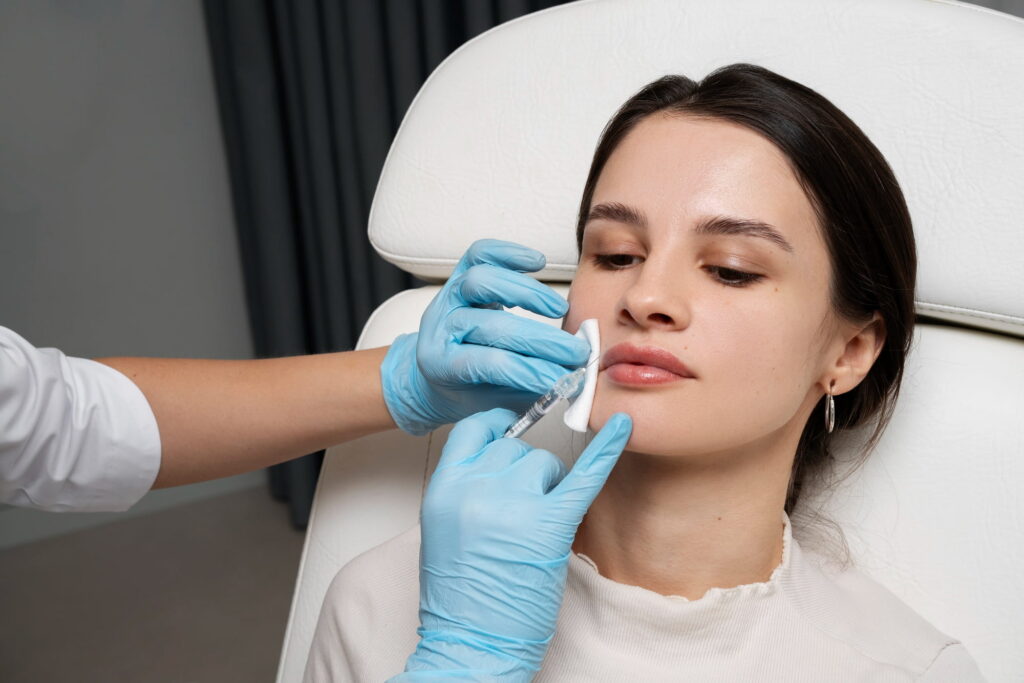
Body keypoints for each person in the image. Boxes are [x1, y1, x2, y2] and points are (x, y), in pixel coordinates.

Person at [303, 64, 985, 681]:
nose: (645, 297)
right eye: (616, 254)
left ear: (850, 352)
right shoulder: (385, 601)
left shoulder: (908, 669)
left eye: (730, 269)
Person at [0, 239, 590, 512]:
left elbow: (64, 422)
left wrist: (402, 380)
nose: (648, 299)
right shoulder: (370, 596)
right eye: (618, 255)